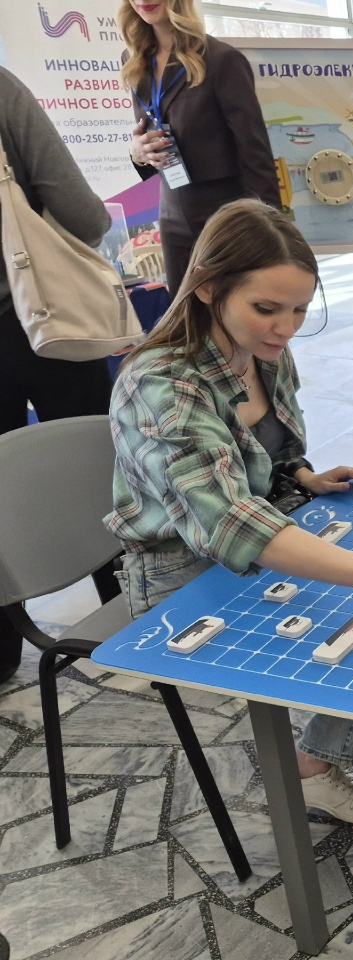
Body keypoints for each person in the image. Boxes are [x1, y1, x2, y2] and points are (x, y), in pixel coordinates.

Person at [107, 199, 353, 824]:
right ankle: (322, 766)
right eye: (267, 308)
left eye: (298, 310)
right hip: (183, 572)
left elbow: (260, 460)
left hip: (267, 528)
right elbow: (230, 523)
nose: (285, 328)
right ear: (207, 287)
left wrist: (301, 475)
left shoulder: (261, 349)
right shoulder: (161, 383)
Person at [0, 67, 114, 684]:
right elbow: (84, 216)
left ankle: (1, 651)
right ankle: (134, 615)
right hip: (42, 318)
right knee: (100, 467)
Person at [121, 0, 280, 293]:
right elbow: (150, 142)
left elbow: (256, 154)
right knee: (184, 316)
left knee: (236, 313)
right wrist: (137, 154)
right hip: (172, 217)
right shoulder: (134, 62)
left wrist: (274, 235)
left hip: (226, 218)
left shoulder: (222, 60)